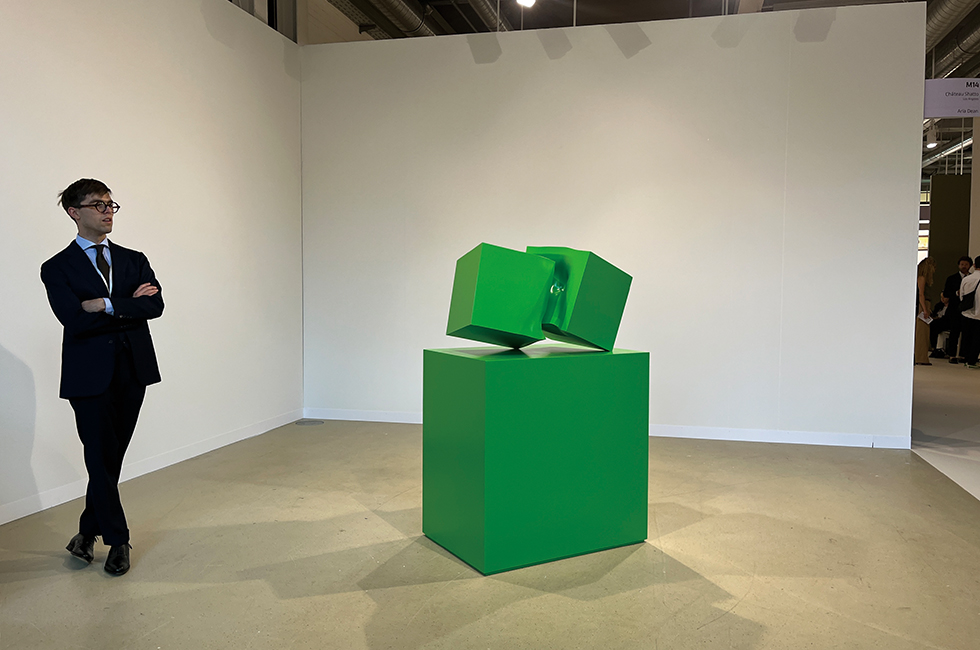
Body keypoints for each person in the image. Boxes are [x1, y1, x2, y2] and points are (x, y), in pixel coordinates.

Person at [40, 179, 164, 576]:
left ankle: (84, 533)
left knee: (110, 458)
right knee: (99, 454)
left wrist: (105, 304)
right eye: (98, 205)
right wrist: (127, 307)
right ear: (74, 212)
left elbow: (155, 307)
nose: (108, 211)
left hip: (134, 369)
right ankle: (117, 539)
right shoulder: (57, 267)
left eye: (111, 204)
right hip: (88, 376)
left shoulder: (134, 260)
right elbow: (75, 321)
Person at [937, 256, 973, 363]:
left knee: (967, 333)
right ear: (958, 265)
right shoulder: (952, 278)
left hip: (968, 309)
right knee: (954, 332)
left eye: (966, 264)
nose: (964, 266)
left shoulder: (972, 278)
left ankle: (963, 355)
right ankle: (952, 354)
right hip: (954, 309)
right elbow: (946, 293)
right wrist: (957, 293)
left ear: (970, 266)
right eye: (962, 264)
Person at [959, 260, 980, 369]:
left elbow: (961, 296)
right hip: (979, 314)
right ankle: (972, 360)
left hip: (967, 312)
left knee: (966, 336)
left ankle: (965, 358)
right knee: (977, 339)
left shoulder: (966, 279)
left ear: (974, 265)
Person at [915, 257, 936, 365]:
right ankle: (921, 357)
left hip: (924, 304)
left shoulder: (921, 278)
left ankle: (921, 356)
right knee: (922, 333)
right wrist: (925, 309)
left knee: (923, 332)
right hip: (923, 305)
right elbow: (921, 294)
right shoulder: (922, 278)